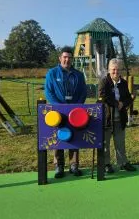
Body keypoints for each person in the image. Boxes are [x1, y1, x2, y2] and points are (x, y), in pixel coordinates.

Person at [44, 46, 87, 178]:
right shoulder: (52, 73)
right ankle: (59, 166)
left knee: (74, 136)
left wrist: (76, 106)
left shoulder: (79, 75)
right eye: (65, 57)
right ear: (60, 58)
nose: (67, 60)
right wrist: (60, 107)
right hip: (58, 113)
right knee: (59, 136)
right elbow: (48, 92)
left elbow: (83, 92)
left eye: (69, 58)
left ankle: (74, 165)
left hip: (75, 112)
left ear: (72, 59)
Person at [98, 58, 137, 173]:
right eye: (113, 69)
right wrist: (116, 103)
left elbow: (128, 99)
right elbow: (102, 96)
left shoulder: (124, 83)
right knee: (106, 143)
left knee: (120, 142)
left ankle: (122, 163)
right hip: (107, 118)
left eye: (118, 70)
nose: (116, 72)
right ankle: (106, 164)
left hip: (120, 118)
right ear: (109, 70)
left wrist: (123, 103)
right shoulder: (104, 82)